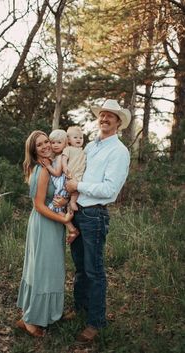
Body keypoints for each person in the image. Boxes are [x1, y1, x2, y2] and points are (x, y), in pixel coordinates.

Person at [65, 99, 131, 344]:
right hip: (78, 211)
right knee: (80, 266)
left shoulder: (119, 151)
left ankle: (95, 322)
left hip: (95, 215)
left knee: (94, 269)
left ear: (118, 122)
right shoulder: (91, 146)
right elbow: (76, 169)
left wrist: (78, 186)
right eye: (102, 115)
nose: (104, 119)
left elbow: (110, 189)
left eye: (110, 116)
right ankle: (81, 309)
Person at [16, 130, 73, 337]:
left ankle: (47, 313)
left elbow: (55, 194)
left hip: (48, 221)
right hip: (46, 222)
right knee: (44, 270)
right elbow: (39, 205)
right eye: (39, 145)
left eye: (46, 141)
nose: (46, 146)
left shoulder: (49, 166)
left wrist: (65, 202)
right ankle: (31, 320)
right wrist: (65, 219)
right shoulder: (43, 170)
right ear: (34, 150)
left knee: (45, 268)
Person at [44, 129, 79, 243]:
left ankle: (72, 229)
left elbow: (58, 173)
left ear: (65, 143)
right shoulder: (57, 156)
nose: (55, 145)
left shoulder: (60, 157)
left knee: (55, 207)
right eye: (53, 142)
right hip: (60, 185)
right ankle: (71, 228)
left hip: (61, 185)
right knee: (58, 207)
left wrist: (48, 166)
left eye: (59, 142)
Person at [62, 126, 86, 211]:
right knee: (72, 189)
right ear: (69, 140)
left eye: (81, 137)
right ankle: (71, 202)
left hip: (80, 174)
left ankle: (70, 204)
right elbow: (64, 159)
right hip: (71, 173)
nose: (78, 139)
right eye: (75, 137)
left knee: (77, 190)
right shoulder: (68, 149)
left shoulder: (83, 151)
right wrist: (65, 168)